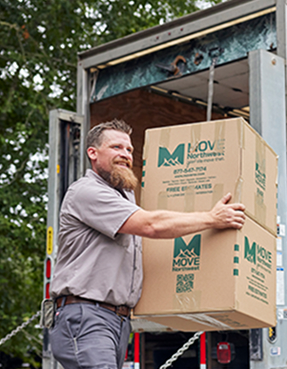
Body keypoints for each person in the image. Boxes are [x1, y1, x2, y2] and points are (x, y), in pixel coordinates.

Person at [49, 119, 246, 369]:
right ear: (93, 153)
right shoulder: (87, 192)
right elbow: (151, 225)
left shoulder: (124, 198)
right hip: (88, 316)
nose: (125, 154)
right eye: (116, 147)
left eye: (129, 150)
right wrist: (211, 218)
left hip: (115, 320)